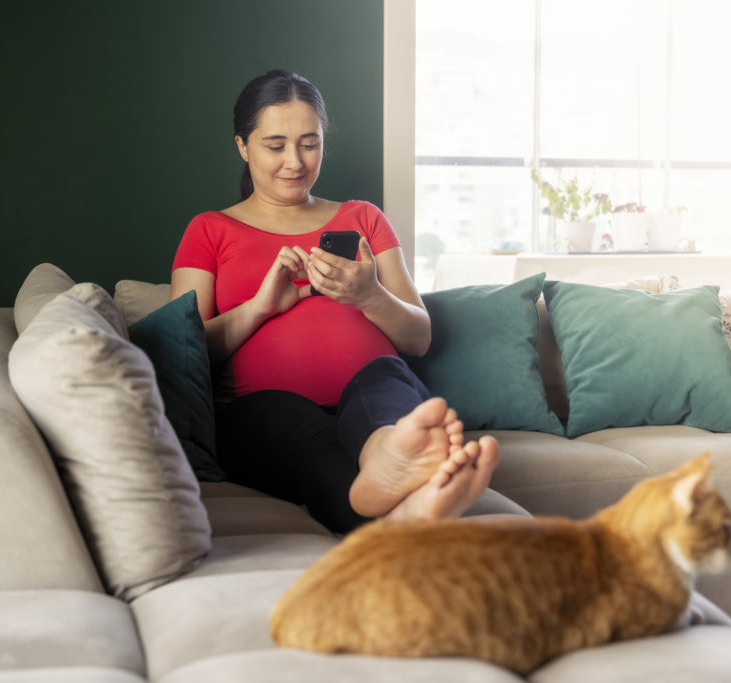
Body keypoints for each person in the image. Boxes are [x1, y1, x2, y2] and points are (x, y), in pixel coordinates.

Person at [170, 70, 499, 533]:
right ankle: (388, 500)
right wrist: (259, 308)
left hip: (373, 400)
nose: (295, 161)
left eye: (309, 142)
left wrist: (370, 295)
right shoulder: (209, 230)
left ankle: (387, 454)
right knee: (299, 430)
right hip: (260, 413)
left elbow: (419, 338)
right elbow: (183, 356)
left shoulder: (363, 217)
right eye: (275, 145)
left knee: (383, 376)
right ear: (243, 146)